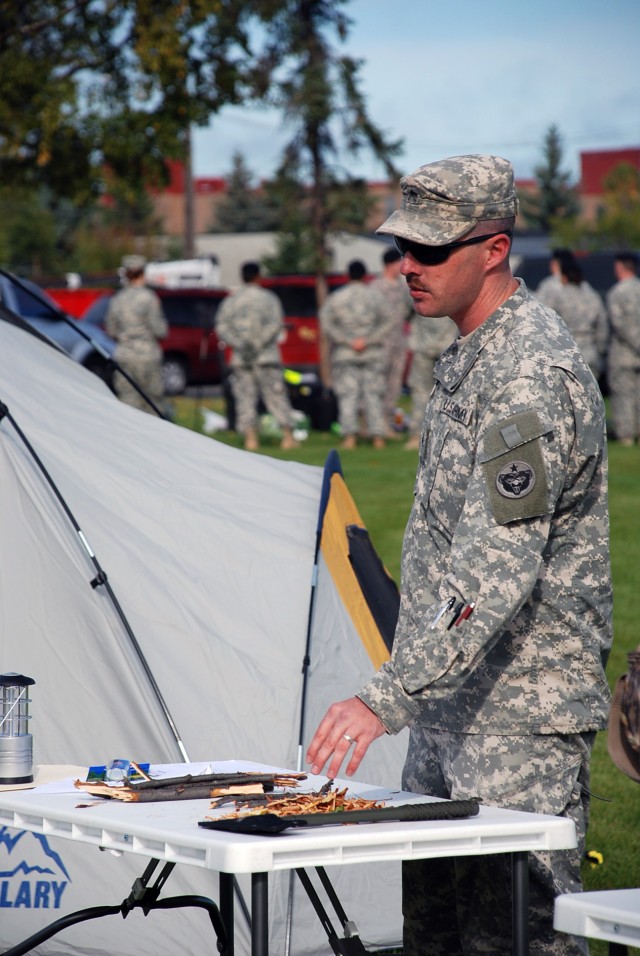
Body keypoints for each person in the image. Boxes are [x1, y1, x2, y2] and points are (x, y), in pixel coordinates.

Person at [307, 154, 613, 956]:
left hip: (518, 722)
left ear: (495, 249)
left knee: (518, 939)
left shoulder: (524, 374)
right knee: (436, 938)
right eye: (405, 247)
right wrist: (415, 697)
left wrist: (386, 695)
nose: (408, 266)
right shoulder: (471, 353)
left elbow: (494, 564)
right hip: (449, 712)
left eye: (431, 249)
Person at [216, 261, 299, 451]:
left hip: (241, 357)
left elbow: (221, 326)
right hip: (266, 356)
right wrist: (259, 343)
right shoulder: (268, 299)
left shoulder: (231, 301)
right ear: (258, 276)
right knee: (275, 396)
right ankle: (287, 436)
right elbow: (276, 323)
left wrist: (240, 344)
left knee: (245, 398)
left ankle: (250, 438)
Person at [319, 259, 396, 449]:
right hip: (372, 353)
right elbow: (389, 321)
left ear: (347, 275)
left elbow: (326, 322)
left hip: (346, 353)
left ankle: (350, 437)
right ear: (364, 275)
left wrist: (347, 340)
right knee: (374, 394)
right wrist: (368, 341)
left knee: (348, 395)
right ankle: (378, 437)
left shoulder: (337, 297)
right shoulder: (375, 297)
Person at [104, 254, 168, 413]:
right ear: (143, 272)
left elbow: (111, 329)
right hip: (147, 356)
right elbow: (160, 330)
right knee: (153, 403)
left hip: (124, 355)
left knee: (128, 403)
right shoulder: (149, 298)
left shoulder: (117, 299)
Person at [370, 246, 414, 436]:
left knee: (394, 385)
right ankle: (373, 424)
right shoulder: (375, 288)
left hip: (398, 343)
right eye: (399, 262)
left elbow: (411, 311)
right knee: (377, 385)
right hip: (379, 345)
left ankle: (387, 423)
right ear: (389, 264)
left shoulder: (404, 287)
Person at [542, 257, 609, 383]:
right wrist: (600, 350)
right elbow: (602, 327)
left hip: (565, 351)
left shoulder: (558, 296)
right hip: (590, 352)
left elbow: (547, 322)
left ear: (564, 277)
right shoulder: (592, 295)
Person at [404, 312, 456, 450]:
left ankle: (418, 436)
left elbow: (404, 313)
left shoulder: (419, 292)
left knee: (425, 392)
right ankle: (438, 436)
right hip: (445, 345)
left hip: (432, 346)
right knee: (449, 393)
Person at [606, 251, 640, 445]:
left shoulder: (618, 292)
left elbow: (619, 324)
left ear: (620, 267)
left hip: (624, 354)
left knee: (623, 395)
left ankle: (626, 435)